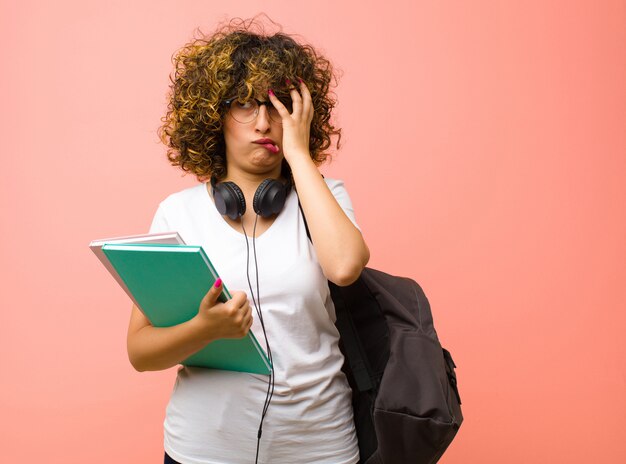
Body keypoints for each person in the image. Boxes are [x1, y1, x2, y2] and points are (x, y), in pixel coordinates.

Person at [126, 17, 370, 464]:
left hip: (320, 446)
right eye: (244, 104)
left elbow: (345, 266)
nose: (262, 122)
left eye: (276, 107)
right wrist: (205, 330)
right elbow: (140, 353)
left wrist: (297, 155)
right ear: (213, 115)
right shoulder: (178, 213)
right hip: (203, 449)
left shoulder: (324, 197)